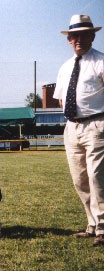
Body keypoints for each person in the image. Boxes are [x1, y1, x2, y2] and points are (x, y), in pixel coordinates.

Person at [53, 15, 104, 247]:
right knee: (80, 179)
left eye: (84, 34)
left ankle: (103, 227)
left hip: (96, 125)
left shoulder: (101, 62)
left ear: (93, 36)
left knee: (97, 177)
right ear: (69, 39)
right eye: (75, 36)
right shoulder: (64, 67)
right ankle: (91, 225)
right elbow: (61, 99)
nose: (79, 39)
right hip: (71, 127)